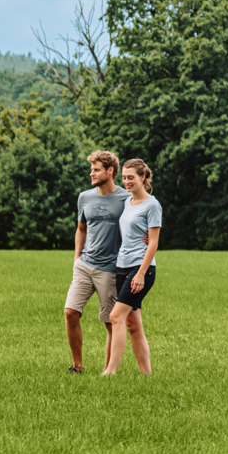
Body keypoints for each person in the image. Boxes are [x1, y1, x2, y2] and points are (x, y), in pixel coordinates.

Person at [65, 150, 148, 374]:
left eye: (96, 170)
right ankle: (77, 366)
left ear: (110, 171)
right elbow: (81, 229)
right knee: (70, 312)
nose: (91, 173)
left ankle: (107, 371)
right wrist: (77, 257)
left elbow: (140, 221)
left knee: (111, 323)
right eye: (91, 169)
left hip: (111, 269)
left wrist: (146, 237)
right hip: (85, 265)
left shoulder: (126, 198)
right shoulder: (84, 197)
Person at [104, 158, 162, 375]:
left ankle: (110, 371)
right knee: (133, 324)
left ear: (143, 177)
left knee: (116, 316)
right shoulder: (128, 202)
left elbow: (153, 242)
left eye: (131, 178)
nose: (126, 182)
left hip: (141, 269)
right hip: (122, 266)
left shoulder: (152, 205)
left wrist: (140, 274)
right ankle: (147, 374)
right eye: (124, 178)